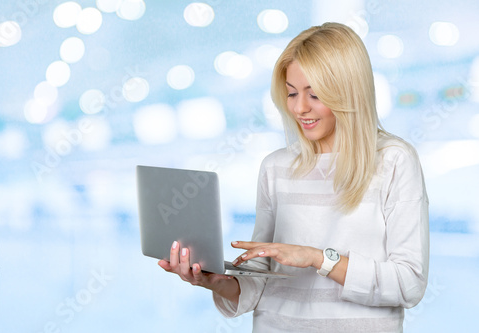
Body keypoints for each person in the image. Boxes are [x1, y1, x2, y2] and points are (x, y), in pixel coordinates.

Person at [158, 22, 429, 333]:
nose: (300, 108)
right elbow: (259, 282)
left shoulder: (394, 161)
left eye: (314, 95)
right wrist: (216, 281)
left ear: (348, 92)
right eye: (291, 93)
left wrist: (318, 259)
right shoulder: (276, 168)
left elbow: (409, 284)